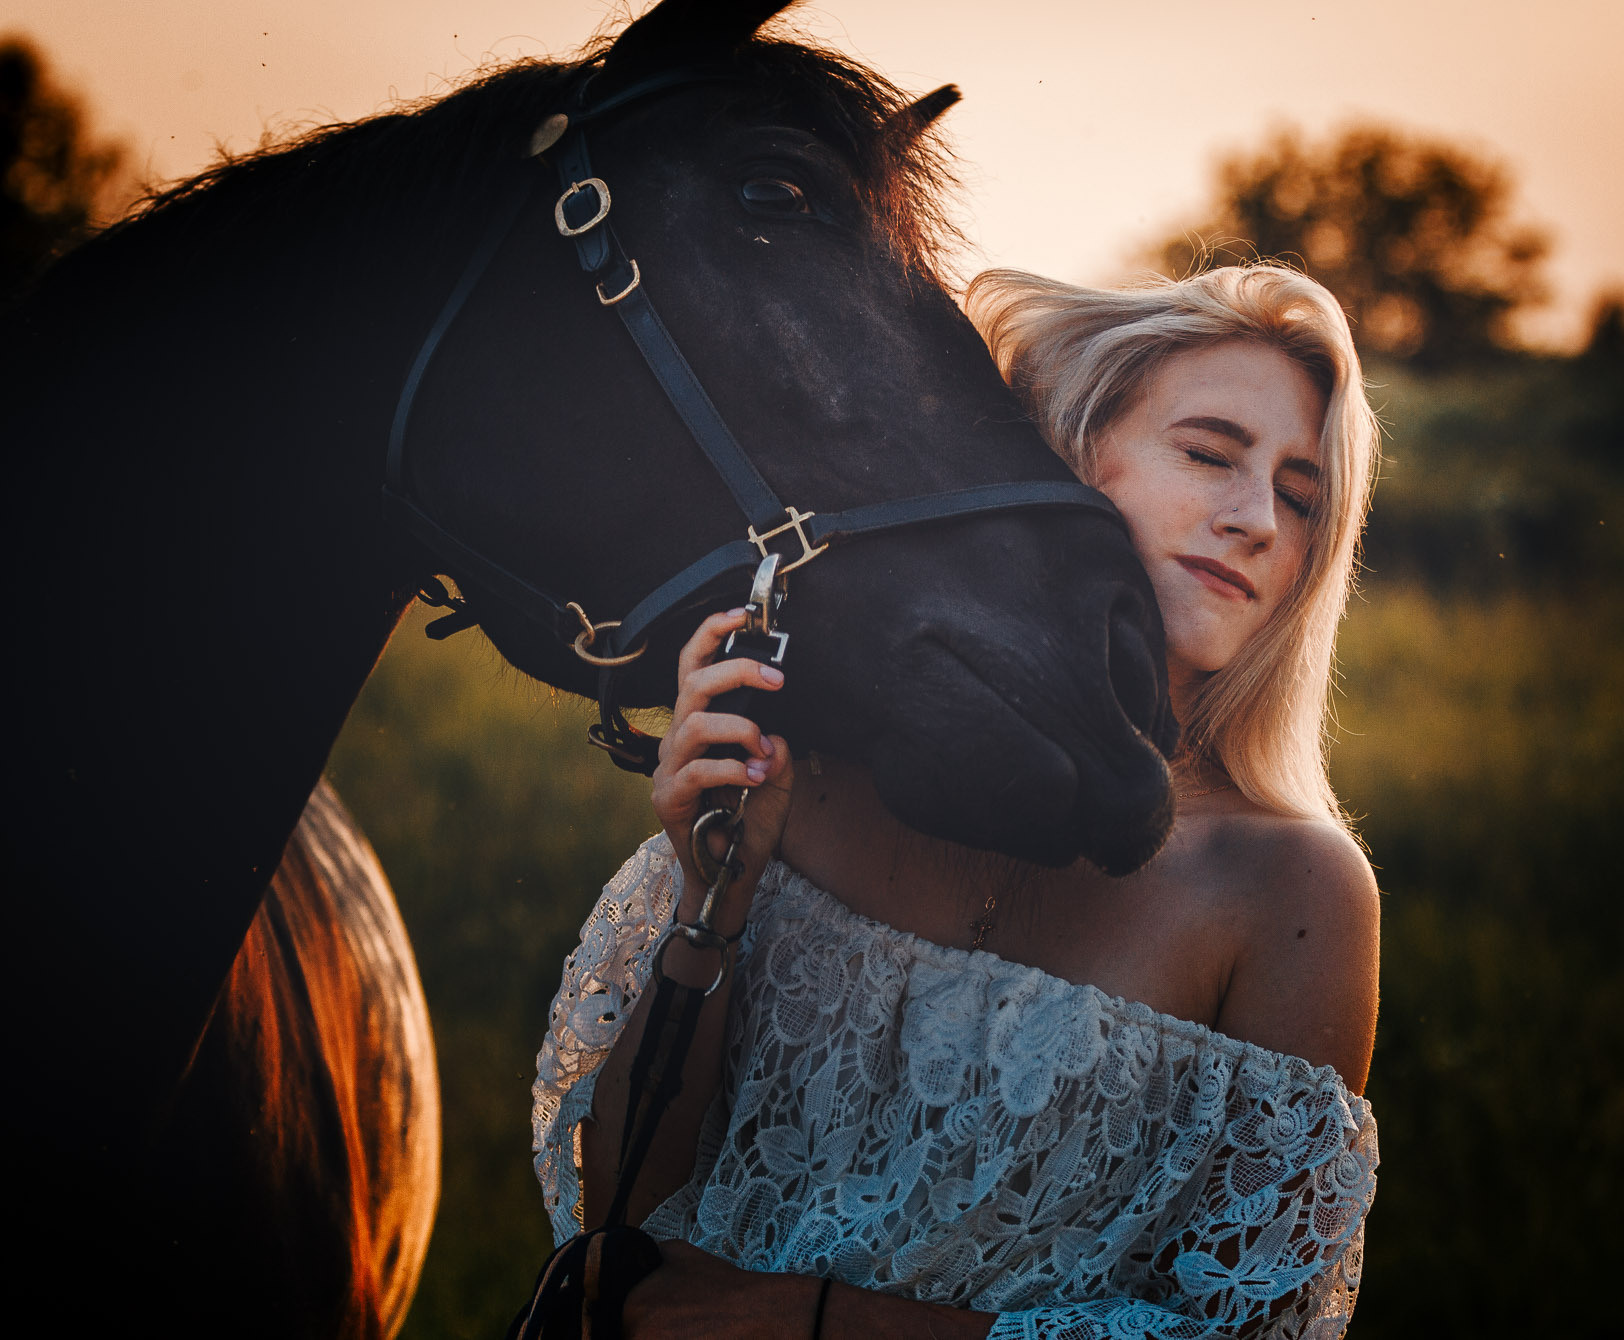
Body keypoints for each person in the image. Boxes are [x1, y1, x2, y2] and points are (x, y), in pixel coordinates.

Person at [532, 263, 1382, 1339]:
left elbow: (1248, 1331)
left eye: (1299, 497)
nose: (1254, 517)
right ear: (1072, 459)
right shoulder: (819, 776)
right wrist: (715, 895)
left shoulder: (1289, 890)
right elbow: (616, 1207)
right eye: (1208, 453)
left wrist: (806, 1320)